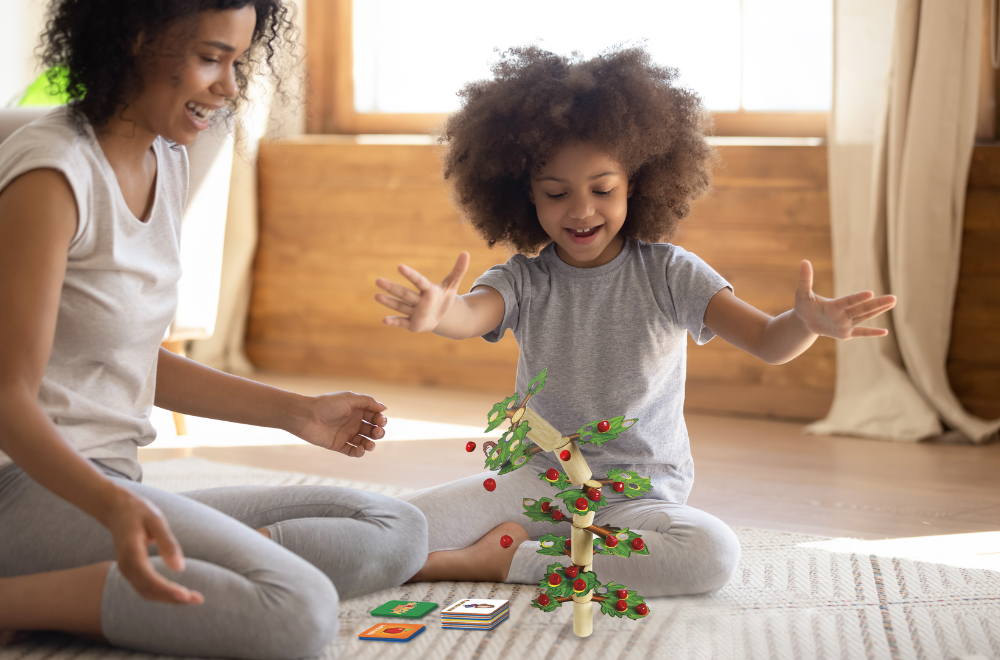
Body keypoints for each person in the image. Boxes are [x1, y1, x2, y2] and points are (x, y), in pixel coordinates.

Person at [374, 46, 895, 596]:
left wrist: (805, 322)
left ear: (637, 183)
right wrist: (439, 313)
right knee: (388, 525)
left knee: (709, 553)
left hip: (637, 500)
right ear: (525, 194)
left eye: (602, 189)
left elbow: (768, 341)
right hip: (535, 484)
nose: (581, 211)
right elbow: (471, 313)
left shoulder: (670, 273)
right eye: (556, 193)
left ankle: (509, 562)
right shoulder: (524, 279)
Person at [0, 2, 427, 658]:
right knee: (298, 613)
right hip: (21, 489)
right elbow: (8, 400)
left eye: (237, 61)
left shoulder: (165, 155)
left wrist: (298, 413)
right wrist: (111, 508)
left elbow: (130, 354)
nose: (229, 87)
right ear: (135, 37)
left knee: (392, 526)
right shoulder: (53, 175)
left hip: (113, 480)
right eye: (209, 58)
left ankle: (139, 582)